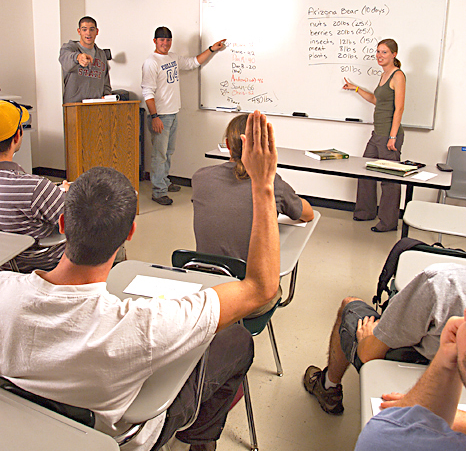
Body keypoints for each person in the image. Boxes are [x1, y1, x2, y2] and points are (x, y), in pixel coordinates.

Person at [0, 110, 280, 451]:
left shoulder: (5, 290)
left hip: (25, 431)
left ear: (62, 224)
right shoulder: (145, 325)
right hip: (121, 439)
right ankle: (201, 440)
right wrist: (263, 185)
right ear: (129, 233)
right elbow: (261, 289)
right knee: (237, 341)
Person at [303, 263, 466, 416]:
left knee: (350, 306)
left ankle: (328, 388)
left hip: (416, 367)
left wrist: (369, 337)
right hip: (451, 386)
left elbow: (368, 354)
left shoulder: (442, 282)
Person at [192, 113, 314, 261]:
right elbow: (308, 214)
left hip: (205, 273)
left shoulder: (200, 177)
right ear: (264, 146)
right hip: (250, 277)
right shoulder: (271, 182)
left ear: (228, 145)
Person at [354, 312, 466, 450]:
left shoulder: (383, 439)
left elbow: (367, 353)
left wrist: (421, 414)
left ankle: (328, 384)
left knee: (351, 308)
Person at [141, 26, 226, 206]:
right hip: (160, 116)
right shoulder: (151, 62)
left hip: (172, 113)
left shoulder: (172, 58)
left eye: (168, 39)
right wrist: (154, 116)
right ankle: (158, 191)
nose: (165, 43)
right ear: (155, 41)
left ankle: (164, 181)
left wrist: (212, 49)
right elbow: (147, 91)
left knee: (168, 152)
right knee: (159, 155)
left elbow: (193, 62)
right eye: (161, 40)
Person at [343, 39, 406, 232]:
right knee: (365, 172)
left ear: (394, 54)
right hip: (377, 133)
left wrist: (393, 136)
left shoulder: (398, 76)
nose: (379, 55)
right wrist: (355, 88)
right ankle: (365, 212)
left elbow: (399, 107)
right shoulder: (384, 74)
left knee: (389, 181)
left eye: (384, 52)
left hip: (389, 134)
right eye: (378, 52)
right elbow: (376, 100)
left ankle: (388, 223)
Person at [0, 99, 68, 272]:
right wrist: (68, 196)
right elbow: (79, 223)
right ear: (17, 135)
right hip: (42, 266)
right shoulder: (36, 188)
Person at [59, 16, 112, 103]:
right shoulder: (69, 48)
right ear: (79, 31)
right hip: (74, 106)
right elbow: (66, 60)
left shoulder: (101, 54)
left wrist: (108, 97)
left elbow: (106, 82)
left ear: (97, 31)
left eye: (91, 29)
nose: (88, 33)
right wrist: (78, 57)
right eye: (84, 29)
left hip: (97, 107)